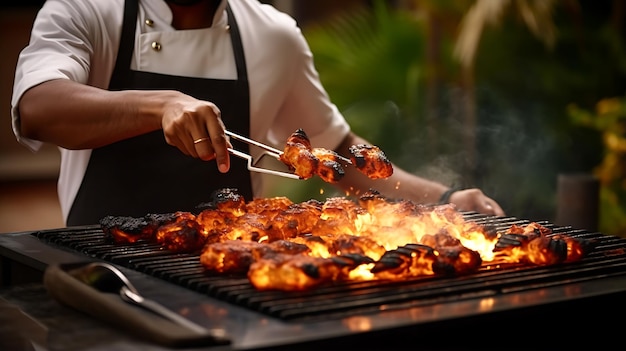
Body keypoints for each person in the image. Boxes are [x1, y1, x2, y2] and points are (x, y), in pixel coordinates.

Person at [11, 0, 505, 226]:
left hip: (225, 281)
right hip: (100, 275)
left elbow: (335, 153)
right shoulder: (84, 10)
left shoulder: (273, 34)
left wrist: (446, 197)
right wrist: (161, 104)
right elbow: (37, 108)